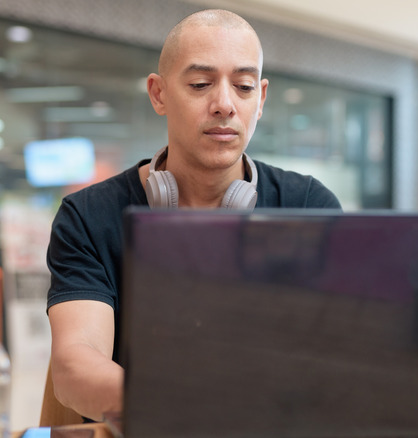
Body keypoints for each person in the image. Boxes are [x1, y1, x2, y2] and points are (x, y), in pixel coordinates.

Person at [46, 9, 341, 421]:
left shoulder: (309, 206)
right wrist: (188, 413)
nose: (224, 104)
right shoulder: (90, 216)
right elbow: (75, 363)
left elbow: (338, 356)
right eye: (201, 84)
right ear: (159, 94)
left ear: (261, 99)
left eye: (243, 86)